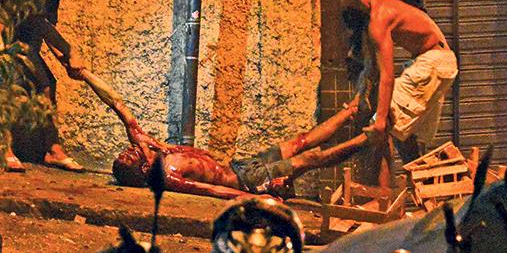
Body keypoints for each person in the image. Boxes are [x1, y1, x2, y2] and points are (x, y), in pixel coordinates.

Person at [80, 70, 374, 199]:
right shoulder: (167, 175)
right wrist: (252, 199)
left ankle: (351, 110)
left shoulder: (150, 147)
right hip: (247, 181)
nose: (129, 149)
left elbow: (118, 105)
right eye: (129, 156)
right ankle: (366, 138)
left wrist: (84, 74)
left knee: (301, 141)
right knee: (309, 159)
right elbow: (211, 191)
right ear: (143, 169)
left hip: (241, 166)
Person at [334, 0, 458, 187]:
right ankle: (427, 190)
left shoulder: (379, 16)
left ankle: (382, 196)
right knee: (403, 133)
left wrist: (380, 119)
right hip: (431, 63)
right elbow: (371, 69)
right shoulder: (369, 16)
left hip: (435, 62)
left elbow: (386, 75)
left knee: (384, 119)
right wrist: (357, 100)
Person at [5, 0, 96, 172]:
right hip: (6, 42)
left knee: (47, 86)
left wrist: (65, 59)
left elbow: (44, 24)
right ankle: (4, 148)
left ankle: (53, 150)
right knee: (8, 85)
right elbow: (26, 7)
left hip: (26, 46)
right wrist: (69, 51)